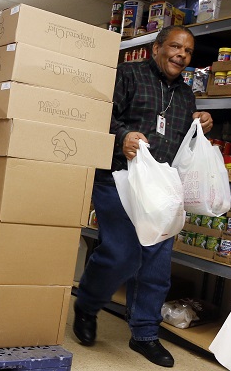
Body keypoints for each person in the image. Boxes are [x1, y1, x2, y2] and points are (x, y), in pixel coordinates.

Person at [73, 25, 213, 368]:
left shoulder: (185, 95)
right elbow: (102, 114)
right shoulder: (129, 75)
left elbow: (182, 144)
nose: (181, 54)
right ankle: (88, 307)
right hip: (119, 177)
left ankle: (146, 334)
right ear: (157, 47)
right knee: (121, 253)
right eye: (175, 46)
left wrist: (202, 126)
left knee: (156, 264)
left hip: (163, 186)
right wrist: (123, 135)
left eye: (188, 51)